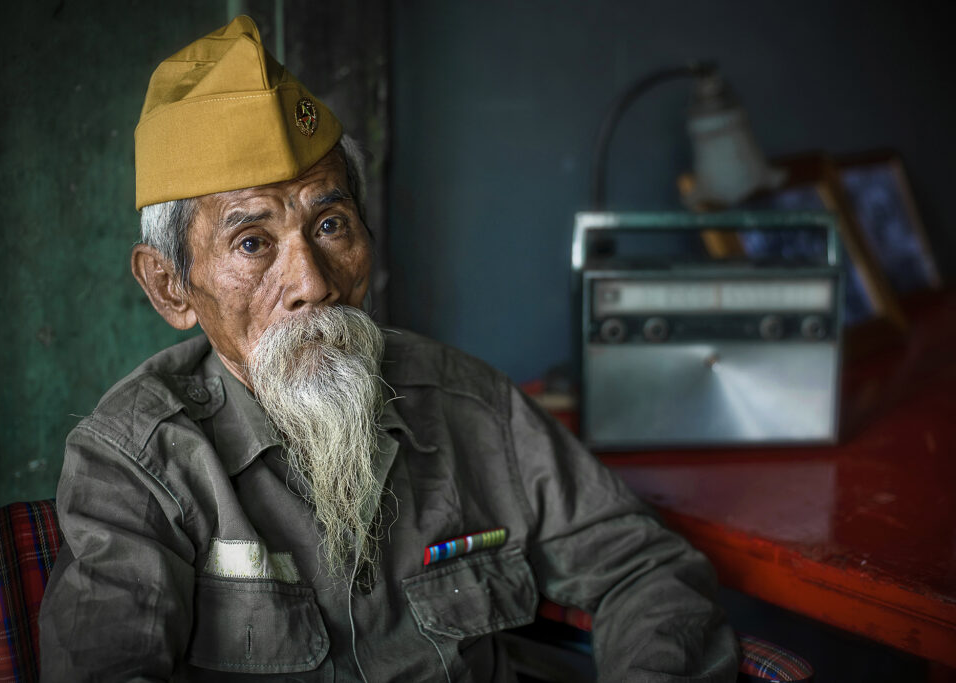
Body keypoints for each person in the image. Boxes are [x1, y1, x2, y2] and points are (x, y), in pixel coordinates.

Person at [39, 16, 739, 682]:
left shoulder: (466, 404)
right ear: (170, 287)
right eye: (252, 243)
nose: (311, 281)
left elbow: (644, 569)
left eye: (332, 223)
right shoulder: (133, 464)